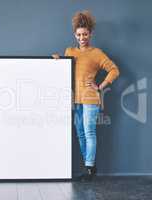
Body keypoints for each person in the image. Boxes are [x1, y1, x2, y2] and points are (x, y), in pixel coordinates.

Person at [52, 10, 120, 181]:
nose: (82, 37)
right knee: (80, 133)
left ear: (90, 34)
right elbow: (65, 71)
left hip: (90, 98)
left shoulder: (96, 53)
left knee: (89, 132)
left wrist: (100, 86)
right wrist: (57, 60)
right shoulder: (70, 52)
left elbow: (114, 70)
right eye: (79, 34)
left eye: (85, 34)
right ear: (75, 35)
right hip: (76, 99)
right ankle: (89, 166)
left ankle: (89, 168)